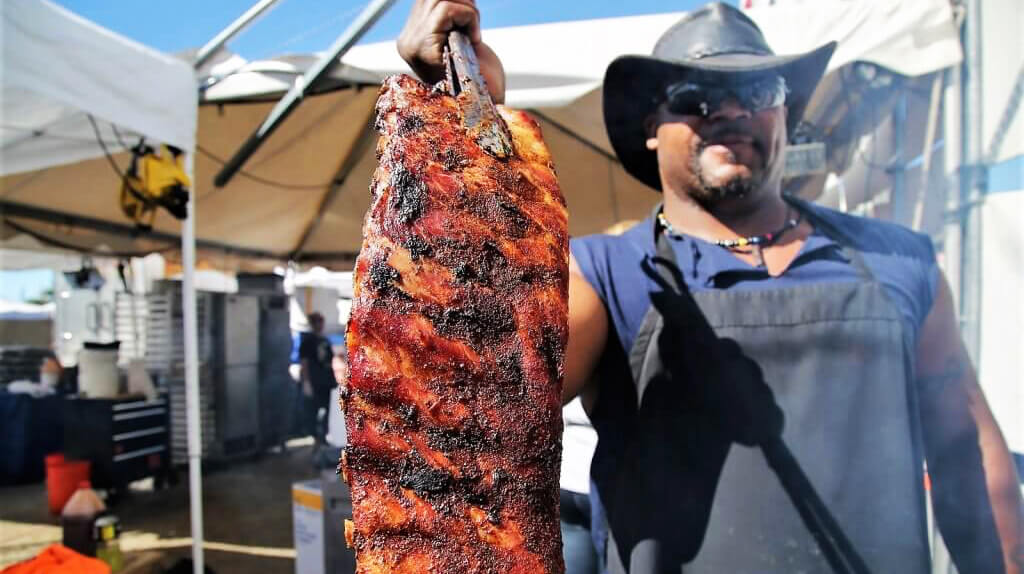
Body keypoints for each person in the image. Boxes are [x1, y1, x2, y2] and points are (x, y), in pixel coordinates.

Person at [397, 2, 1024, 573]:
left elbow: (968, 455)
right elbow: (481, 400)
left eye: (757, 89)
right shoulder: (605, 272)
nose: (729, 111)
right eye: (695, 95)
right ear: (652, 127)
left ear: (786, 112)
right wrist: (464, 134)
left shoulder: (899, 260)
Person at [298, 312, 337, 448]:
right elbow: (304, 363)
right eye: (317, 322)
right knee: (313, 410)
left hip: (326, 380)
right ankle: (315, 437)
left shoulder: (325, 340)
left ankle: (323, 436)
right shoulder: (307, 341)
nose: (320, 325)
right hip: (315, 380)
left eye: (321, 322)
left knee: (327, 409)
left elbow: (330, 360)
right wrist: (306, 382)